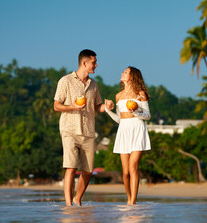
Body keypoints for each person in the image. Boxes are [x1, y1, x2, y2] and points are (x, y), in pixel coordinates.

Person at [54, 49, 114, 206]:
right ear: (84, 63)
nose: (96, 65)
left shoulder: (94, 85)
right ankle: (68, 204)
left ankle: (77, 199)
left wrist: (106, 106)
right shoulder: (65, 81)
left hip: (88, 131)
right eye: (94, 62)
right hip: (69, 130)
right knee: (71, 167)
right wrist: (72, 106)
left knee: (88, 171)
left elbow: (97, 107)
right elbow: (56, 106)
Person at [104, 66, 151, 205]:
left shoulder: (140, 94)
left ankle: (133, 201)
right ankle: (129, 198)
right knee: (125, 172)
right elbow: (119, 119)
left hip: (137, 128)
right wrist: (108, 110)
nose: (122, 73)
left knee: (133, 167)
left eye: (125, 72)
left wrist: (136, 112)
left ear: (132, 76)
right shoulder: (118, 96)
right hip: (123, 130)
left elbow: (147, 116)